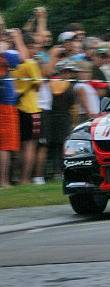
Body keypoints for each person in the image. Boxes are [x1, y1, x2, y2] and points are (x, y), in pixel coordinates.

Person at [11, 33, 42, 184]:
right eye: (32, 47)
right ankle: (25, 179)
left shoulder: (11, 64)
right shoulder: (30, 63)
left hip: (16, 107)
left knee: (19, 146)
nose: (35, 50)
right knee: (30, 146)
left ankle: (15, 177)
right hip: (31, 109)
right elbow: (38, 85)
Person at [0, 31, 23, 188]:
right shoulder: (4, 52)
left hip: (6, 102)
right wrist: (17, 38)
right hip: (5, 105)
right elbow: (21, 58)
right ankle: (3, 182)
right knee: (5, 145)